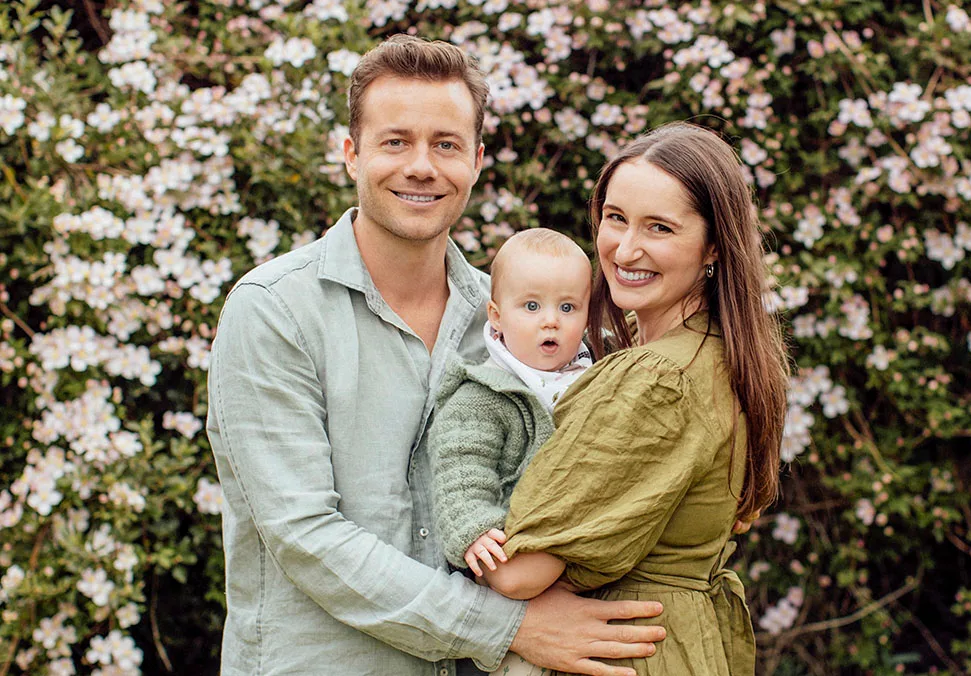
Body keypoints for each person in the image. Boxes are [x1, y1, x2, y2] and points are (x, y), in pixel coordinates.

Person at [205, 34, 666, 676]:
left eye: (445, 145)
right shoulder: (273, 310)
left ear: (475, 160)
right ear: (350, 154)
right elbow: (307, 538)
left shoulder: (513, 320)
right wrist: (511, 628)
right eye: (395, 141)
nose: (421, 166)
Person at [479, 122, 790, 675]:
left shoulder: (657, 380)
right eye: (615, 218)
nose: (625, 248)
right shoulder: (723, 353)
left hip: (630, 650)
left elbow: (517, 573)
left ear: (714, 244)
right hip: (678, 643)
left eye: (660, 228)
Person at [429, 229, 593, 577]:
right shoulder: (482, 395)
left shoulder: (594, 375)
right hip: (510, 545)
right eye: (531, 306)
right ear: (497, 316)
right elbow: (460, 468)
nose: (551, 320)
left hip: (583, 539)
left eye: (568, 307)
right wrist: (474, 528)